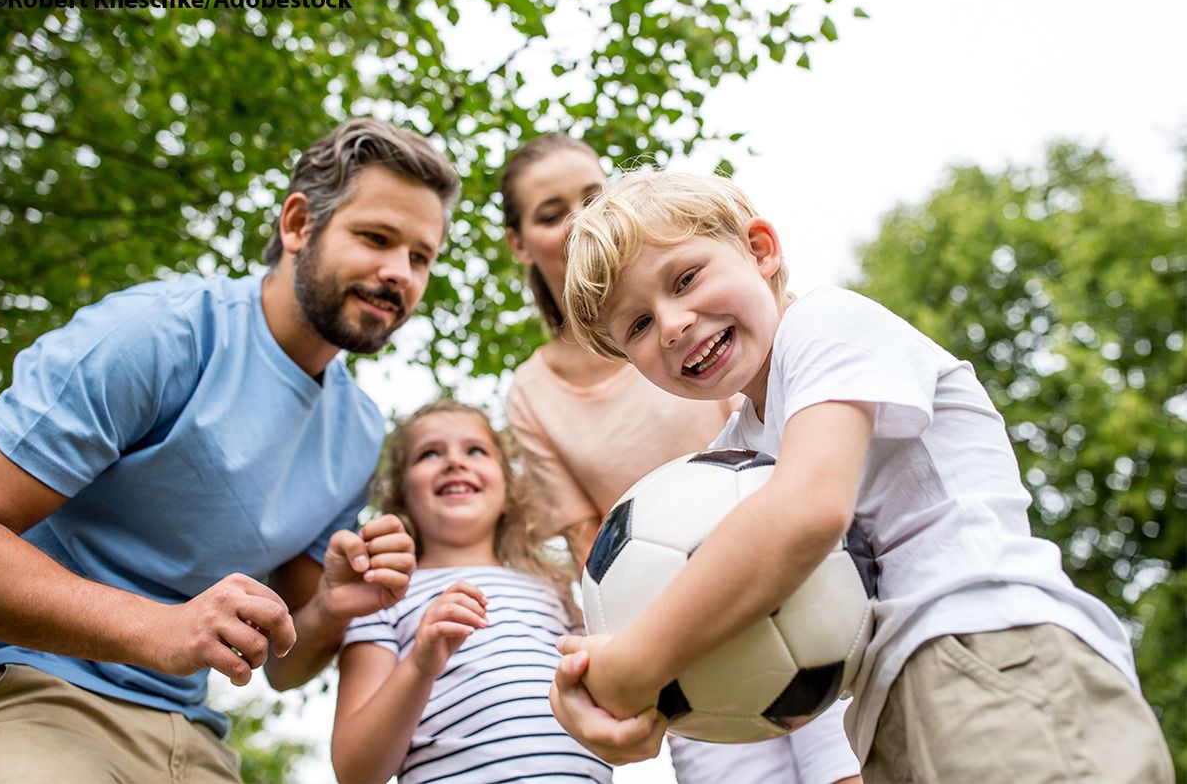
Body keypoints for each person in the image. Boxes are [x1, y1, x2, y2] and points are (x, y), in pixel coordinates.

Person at [549, 170, 1175, 782]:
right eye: (637, 325)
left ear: (760, 249)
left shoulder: (826, 325)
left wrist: (632, 666)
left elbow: (807, 512)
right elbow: (730, 604)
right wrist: (612, 701)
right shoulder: (729, 462)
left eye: (685, 278)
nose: (673, 323)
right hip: (885, 717)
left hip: (993, 652)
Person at [0, 118, 460, 782]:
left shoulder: (357, 433)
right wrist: (159, 629)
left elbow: (285, 665)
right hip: (36, 694)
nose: (398, 275)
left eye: (420, 257)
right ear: (298, 225)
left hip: (197, 740)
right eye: (375, 238)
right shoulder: (155, 336)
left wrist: (331, 608)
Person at [502, 135, 860, 784]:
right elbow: (593, 542)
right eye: (552, 213)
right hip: (680, 645)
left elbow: (804, 476)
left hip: (812, 585)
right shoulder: (531, 393)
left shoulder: (714, 336)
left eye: (592, 195)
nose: (582, 217)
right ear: (520, 243)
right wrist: (631, 663)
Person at [331, 400, 610, 784]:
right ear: (400, 492)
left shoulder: (555, 589)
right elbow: (355, 770)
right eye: (429, 453)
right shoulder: (382, 596)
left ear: (508, 488)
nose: (454, 462)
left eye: (475, 450)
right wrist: (420, 665)